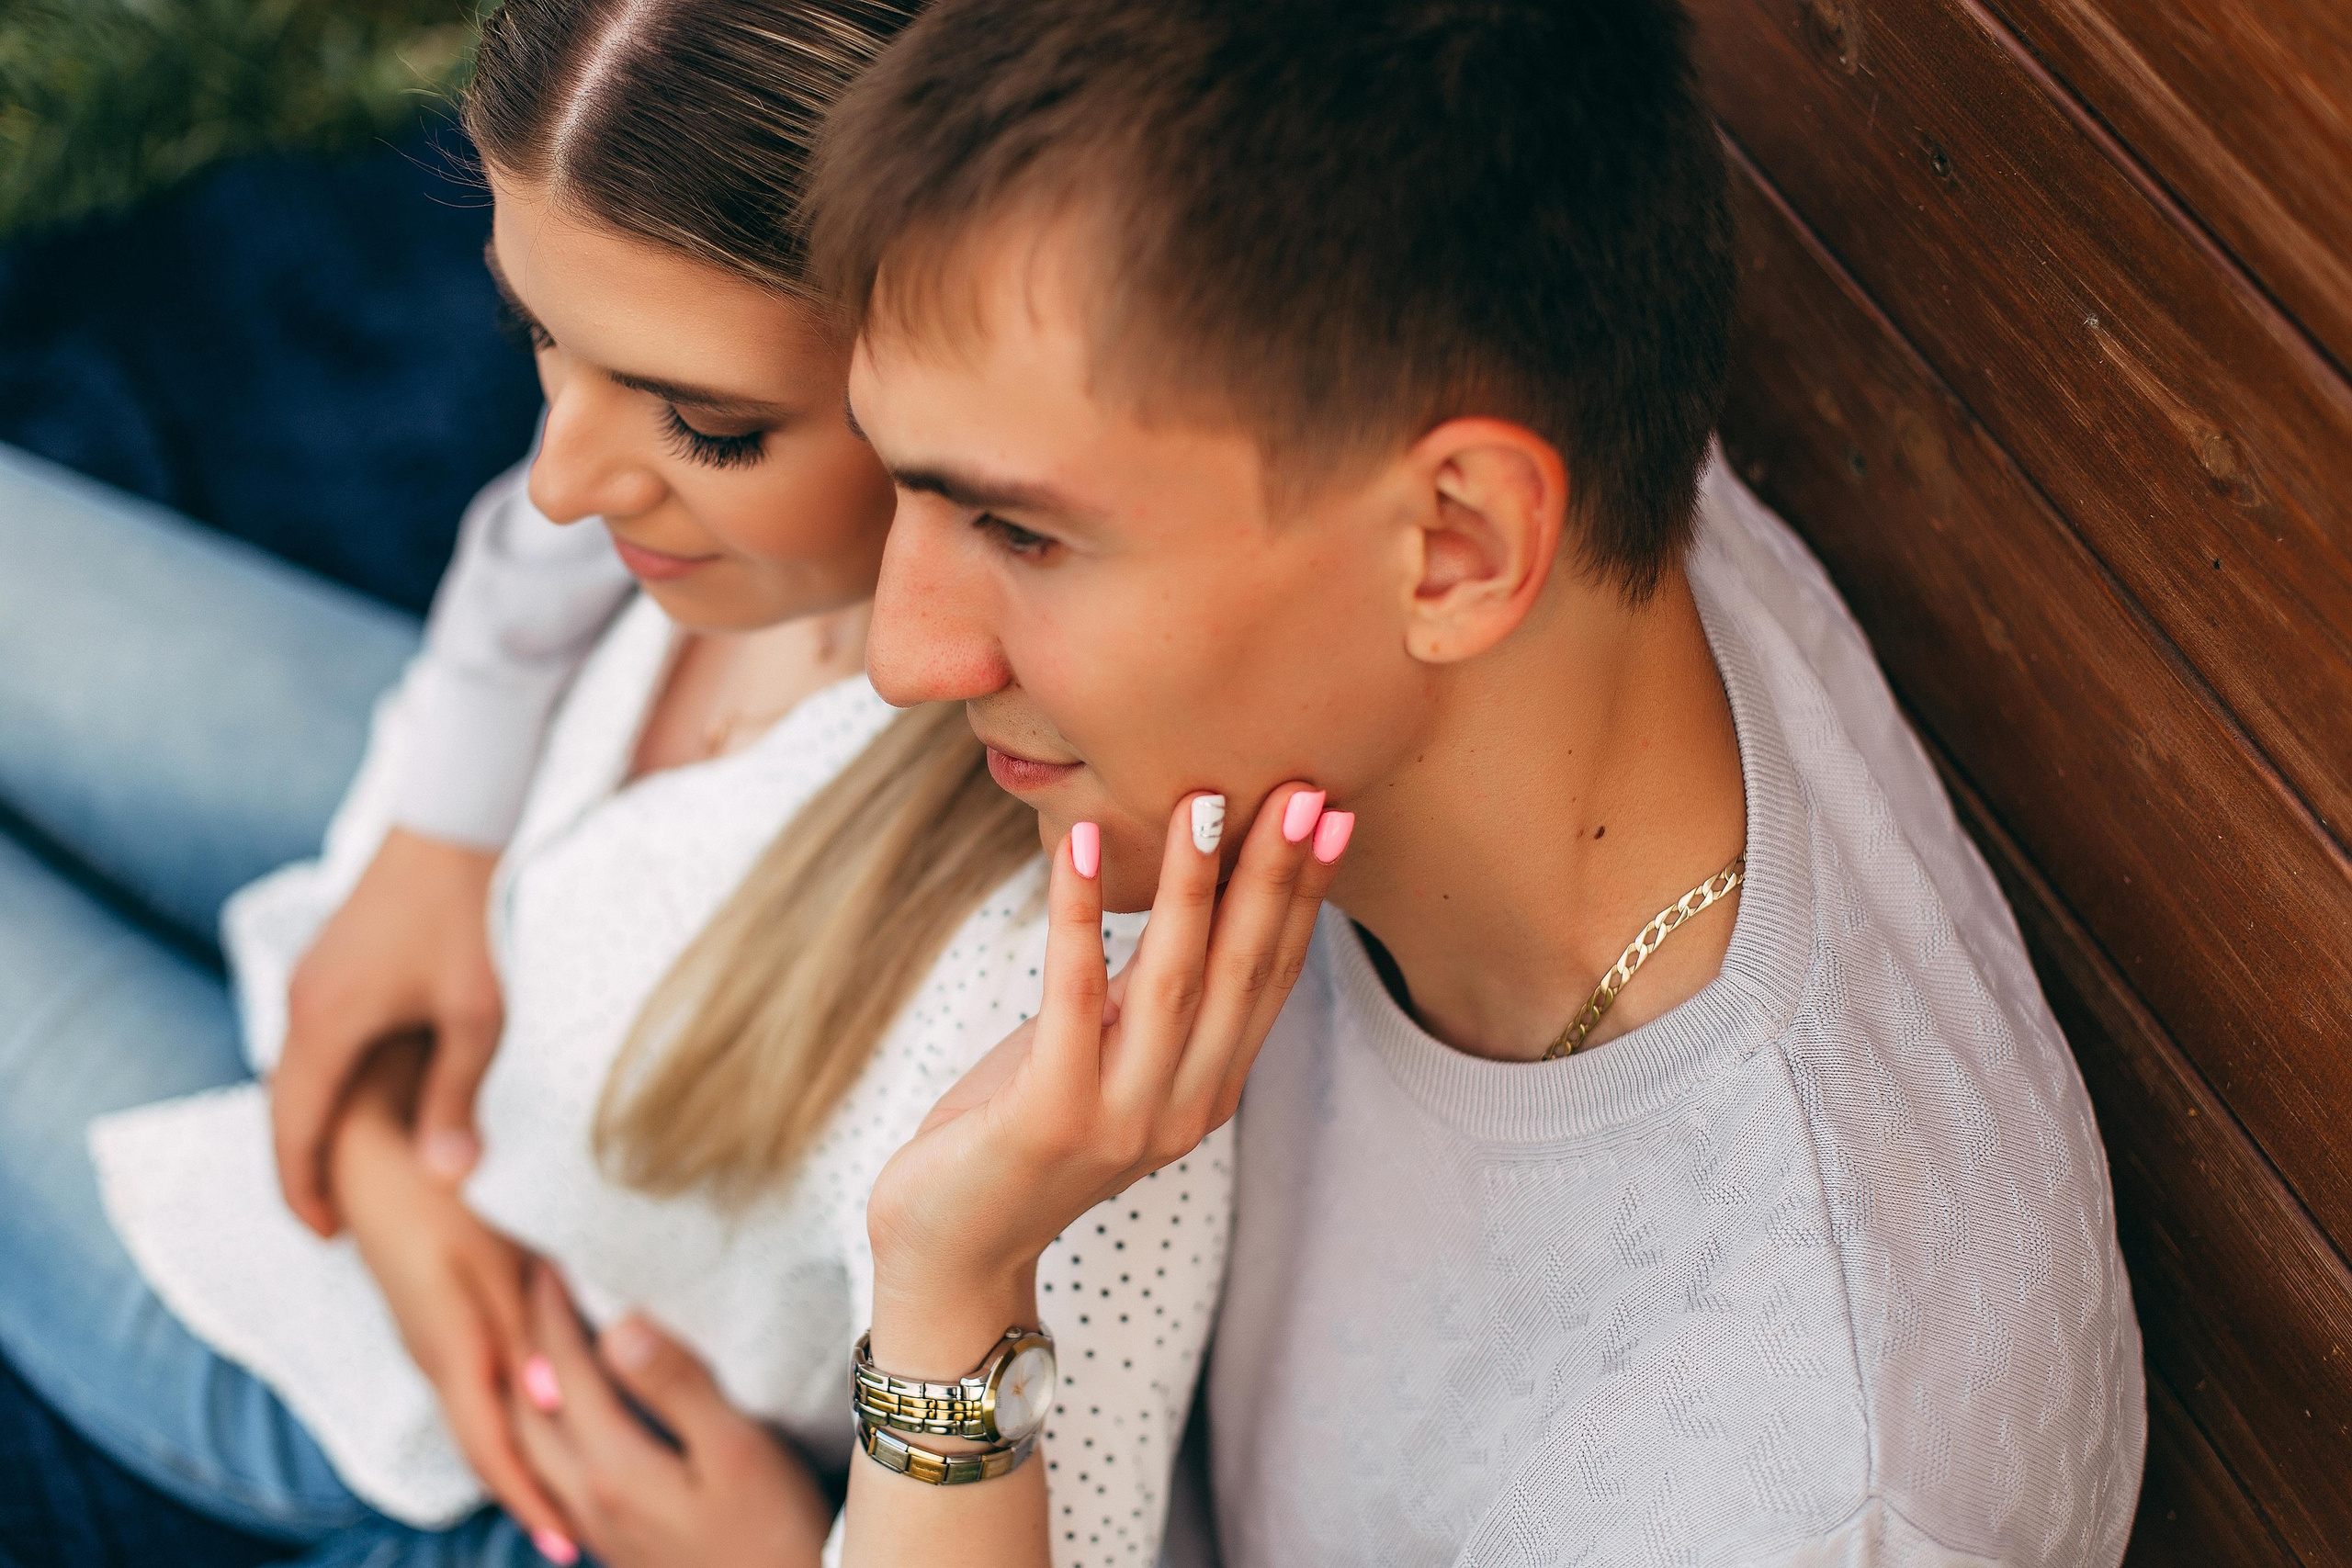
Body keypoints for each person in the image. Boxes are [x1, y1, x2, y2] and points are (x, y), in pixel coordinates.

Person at [796, 0, 2150, 1562]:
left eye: (1022, 535)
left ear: (1460, 549)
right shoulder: (1506, 401)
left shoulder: (1801, 1490)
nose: (905, 653)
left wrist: (950, 1308)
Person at [0, 2, 1351, 1564]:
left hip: (394, 1391)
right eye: (536, 335)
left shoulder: (1047, 1017)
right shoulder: (717, 535)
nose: (560, 482)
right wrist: (425, 865)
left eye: (705, 426)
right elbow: (534, 549)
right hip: (427, 1047)